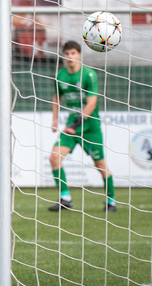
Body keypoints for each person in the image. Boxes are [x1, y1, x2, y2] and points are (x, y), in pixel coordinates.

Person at [48, 40, 116, 212]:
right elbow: (57, 98)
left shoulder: (89, 75)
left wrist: (76, 123)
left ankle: (111, 201)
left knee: (100, 166)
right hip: (71, 127)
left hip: (90, 128)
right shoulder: (60, 76)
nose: (70, 57)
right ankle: (65, 199)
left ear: (79, 55)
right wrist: (55, 119)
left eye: (73, 53)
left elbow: (91, 104)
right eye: (67, 53)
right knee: (54, 157)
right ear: (63, 56)